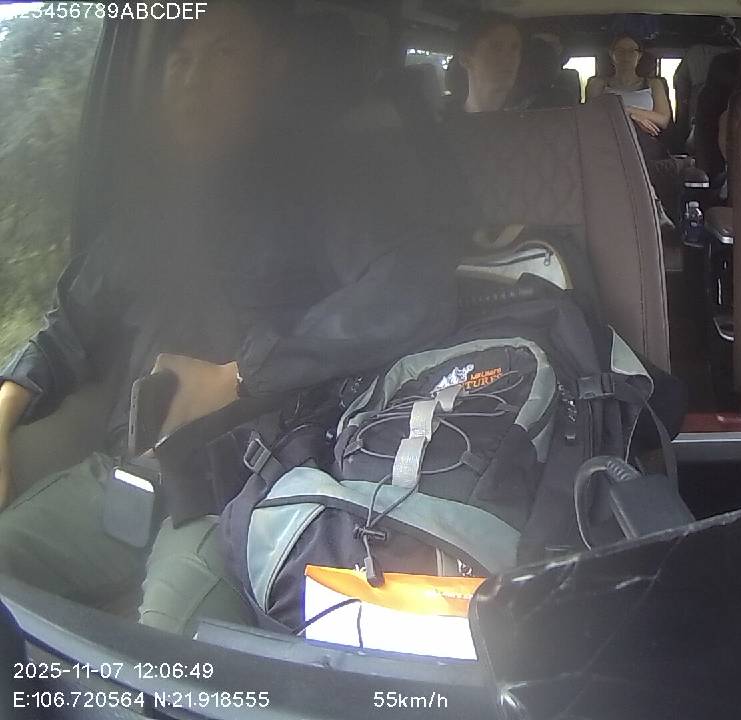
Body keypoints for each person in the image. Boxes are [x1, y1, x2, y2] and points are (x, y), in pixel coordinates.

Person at [0, 1, 458, 636]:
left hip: (240, 489)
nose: (193, 77)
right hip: (124, 473)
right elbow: (66, 328)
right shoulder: (150, 207)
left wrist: (242, 375)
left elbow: (413, 291)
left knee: (160, 663)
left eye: (221, 54)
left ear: (272, 68)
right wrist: (4, 412)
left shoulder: (326, 185)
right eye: (181, 59)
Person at [586, 34, 673, 160]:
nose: (626, 56)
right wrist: (631, 117)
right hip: (608, 138)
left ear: (639, 55)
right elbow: (590, 116)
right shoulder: (598, 84)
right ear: (611, 54)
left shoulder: (654, 84)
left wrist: (629, 112)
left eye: (632, 51)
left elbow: (663, 120)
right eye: (620, 51)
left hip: (645, 142)